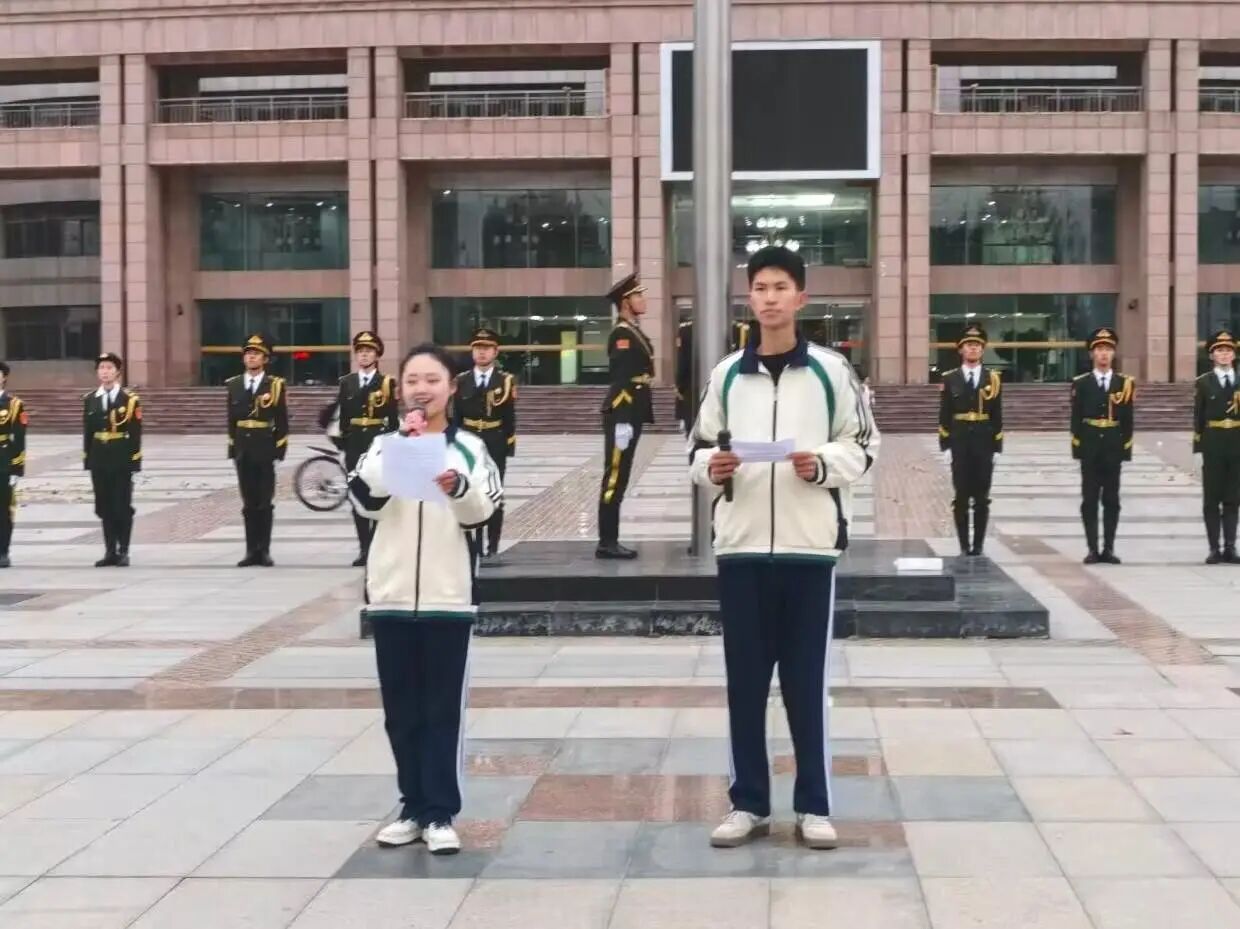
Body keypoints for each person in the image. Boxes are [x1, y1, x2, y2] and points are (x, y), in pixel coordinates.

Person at [689, 245, 879, 851]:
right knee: (744, 684)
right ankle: (747, 803)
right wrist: (712, 467)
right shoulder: (726, 375)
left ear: (801, 298)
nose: (769, 298)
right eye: (760, 288)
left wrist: (820, 463)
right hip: (741, 550)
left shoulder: (831, 371)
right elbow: (697, 448)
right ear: (749, 298)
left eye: (780, 288)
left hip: (808, 550)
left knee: (805, 684)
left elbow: (863, 446)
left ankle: (813, 805)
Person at [349, 343, 502, 856]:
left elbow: (483, 513)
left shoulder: (470, 449)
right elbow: (364, 502)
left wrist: (458, 487)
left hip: (446, 597)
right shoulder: (382, 445)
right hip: (391, 595)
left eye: (432, 380)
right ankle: (411, 807)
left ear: (452, 388)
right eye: (412, 380)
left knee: (441, 710)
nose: (421, 389)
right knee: (400, 711)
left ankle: (439, 812)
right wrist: (400, 449)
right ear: (400, 389)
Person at [597, 271, 653, 559]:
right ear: (625, 302)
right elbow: (620, 378)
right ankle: (607, 542)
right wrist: (621, 420)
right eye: (638, 295)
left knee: (621, 476)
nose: (643, 300)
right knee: (615, 477)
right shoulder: (621, 334)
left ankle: (610, 539)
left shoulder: (633, 331)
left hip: (632, 411)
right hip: (624, 412)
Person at [334, 331, 399, 566]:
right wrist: (344, 443)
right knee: (357, 497)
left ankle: (378, 547)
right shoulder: (346, 382)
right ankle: (364, 548)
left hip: (377, 444)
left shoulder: (386, 383)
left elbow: (392, 420)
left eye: (369, 351)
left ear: (377, 355)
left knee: (379, 496)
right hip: (354, 445)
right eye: (360, 351)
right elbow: (343, 418)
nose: (364, 355)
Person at [1070, 327, 1134, 565]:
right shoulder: (1081, 383)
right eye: (1099, 349)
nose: (1104, 354)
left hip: (1113, 445)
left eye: (1108, 349)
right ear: (1092, 354)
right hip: (1089, 445)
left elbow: (1128, 419)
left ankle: (1108, 548)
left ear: (1114, 353)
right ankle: (1092, 548)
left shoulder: (1124, 383)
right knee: (1089, 499)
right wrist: (1078, 448)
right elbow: (1076, 418)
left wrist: (1125, 449)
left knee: (1111, 500)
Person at [938, 325, 1003, 556]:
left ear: (983, 350)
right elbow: (945, 413)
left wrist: (997, 447)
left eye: (977, 345)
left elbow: (997, 414)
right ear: (961, 350)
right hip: (960, 441)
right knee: (962, 496)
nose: (973, 349)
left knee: (982, 498)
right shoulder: (950, 378)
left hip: (984, 443)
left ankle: (979, 545)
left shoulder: (993, 378)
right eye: (968, 345)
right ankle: (964, 545)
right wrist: (945, 445)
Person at [453, 326, 517, 559]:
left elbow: (509, 417)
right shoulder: (462, 380)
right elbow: (457, 416)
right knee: (471, 493)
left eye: (487, 348)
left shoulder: (505, 381)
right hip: (469, 441)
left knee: (494, 493)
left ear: (495, 352)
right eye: (478, 348)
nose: (482, 352)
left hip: (495, 440)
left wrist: (509, 443)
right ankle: (475, 544)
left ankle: (493, 545)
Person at [226, 334, 288, 567]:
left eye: (256, 354)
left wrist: (279, 449)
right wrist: (233, 449)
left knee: (264, 502)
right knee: (248, 502)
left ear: (265, 359)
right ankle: (251, 550)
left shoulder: (275, 385)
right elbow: (231, 421)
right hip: (243, 448)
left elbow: (281, 420)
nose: (251, 357)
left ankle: (264, 550)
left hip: (264, 446)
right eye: (248, 354)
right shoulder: (234, 385)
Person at [83, 352, 141, 567]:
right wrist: (87, 460)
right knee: (104, 505)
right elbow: (88, 433)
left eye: (109, 368)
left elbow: (135, 432)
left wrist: (135, 462)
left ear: (118, 372)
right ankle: (110, 551)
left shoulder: (129, 400)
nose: (105, 372)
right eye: (101, 368)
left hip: (121, 457)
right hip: (99, 458)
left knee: (122, 505)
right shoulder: (91, 399)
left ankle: (123, 550)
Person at [1194, 329, 1240, 564]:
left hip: (1236, 444)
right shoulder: (1203, 383)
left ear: (1234, 355)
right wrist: (1198, 448)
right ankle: (1214, 548)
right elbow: (1198, 418)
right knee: (1211, 499)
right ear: (1212, 355)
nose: (1224, 354)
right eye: (1219, 351)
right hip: (1213, 444)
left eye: (1228, 350)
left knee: (1233, 498)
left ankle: (1230, 546)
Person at [675, 318, 751, 435]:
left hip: (695, 390)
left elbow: (683, 363)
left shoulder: (687, 330)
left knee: (698, 433)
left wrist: (680, 386)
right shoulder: (739, 329)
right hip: (730, 388)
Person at [0, 362, 27, 568]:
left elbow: (19, 438)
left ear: (4, 377)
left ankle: (3, 551)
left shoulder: (14, 405)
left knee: (3, 509)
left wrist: (17, 467)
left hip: (3, 460)